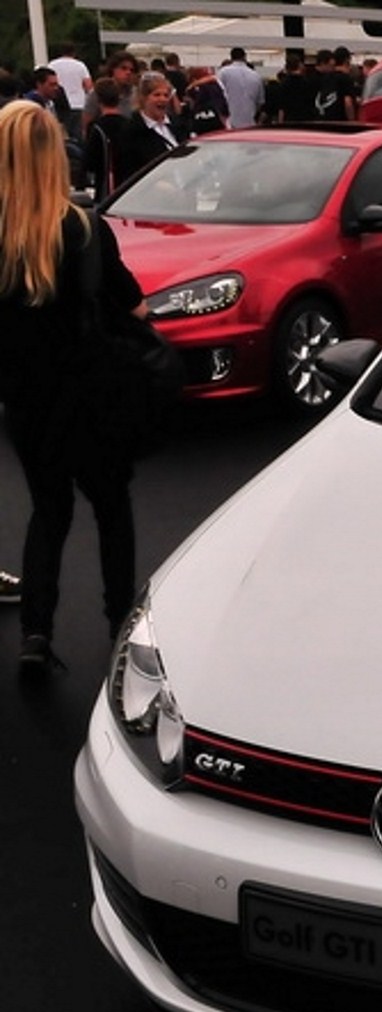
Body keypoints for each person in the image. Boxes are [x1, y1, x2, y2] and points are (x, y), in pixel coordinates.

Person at [0, 102, 146, 672]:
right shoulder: (83, 228)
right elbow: (132, 305)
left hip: (25, 400)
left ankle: (35, 633)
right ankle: (118, 624)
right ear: (55, 158)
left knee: (48, 510)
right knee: (111, 509)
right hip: (90, 393)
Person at [116, 72, 185, 179]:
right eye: (157, 95)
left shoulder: (177, 125)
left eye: (166, 95)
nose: (163, 99)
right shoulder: (131, 131)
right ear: (144, 98)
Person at [82, 77, 130, 200]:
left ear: (98, 100)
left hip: (106, 187)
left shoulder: (97, 128)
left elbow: (90, 162)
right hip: (128, 185)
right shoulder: (129, 125)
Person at [217, 47, 265, 129]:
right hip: (249, 123)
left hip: (229, 123)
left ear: (231, 57)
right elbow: (260, 102)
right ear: (245, 57)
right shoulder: (256, 76)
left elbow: (217, 96)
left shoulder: (223, 73)